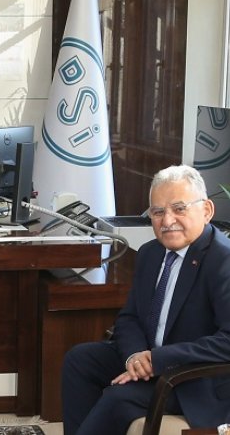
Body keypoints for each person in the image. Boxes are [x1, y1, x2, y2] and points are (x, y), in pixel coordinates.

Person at [61, 165, 230, 434]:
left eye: (179, 208)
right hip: (153, 361)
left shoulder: (223, 260)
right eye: (158, 212)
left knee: (118, 399)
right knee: (80, 360)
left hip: (196, 379)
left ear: (207, 210)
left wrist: (157, 359)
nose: (167, 220)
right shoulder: (150, 252)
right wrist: (134, 357)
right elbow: (129, 318)